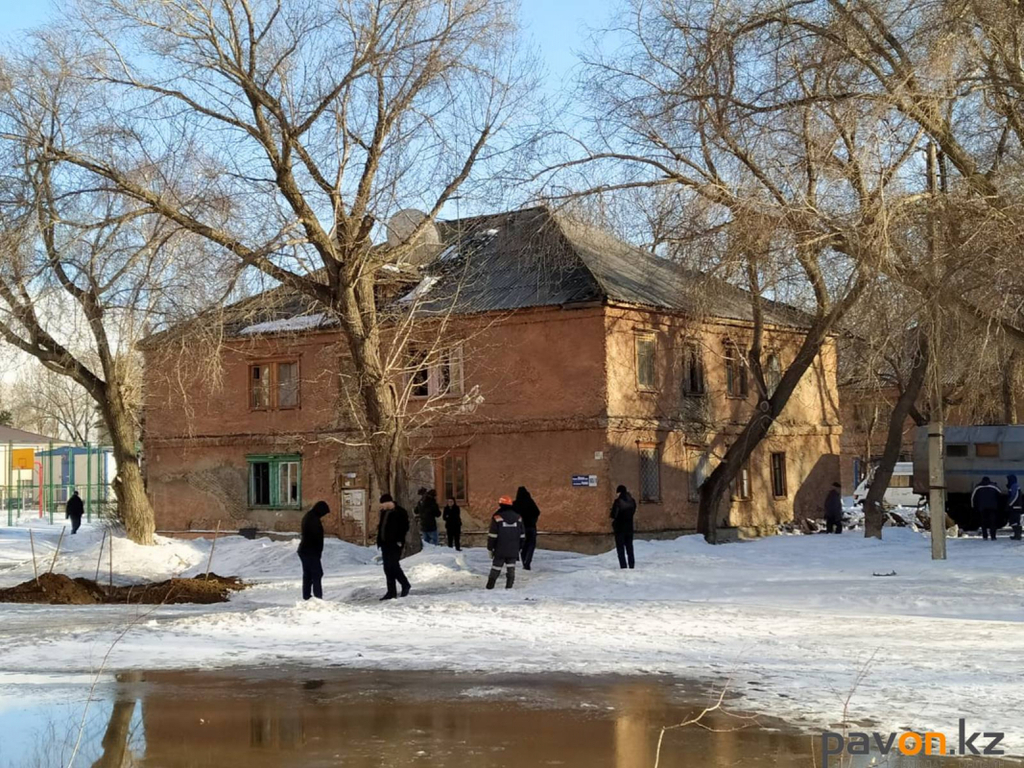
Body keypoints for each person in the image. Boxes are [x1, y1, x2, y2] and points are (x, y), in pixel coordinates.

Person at [377, 493, 411, 600]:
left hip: (395, 543)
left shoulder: (400, 512)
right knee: (387, 568)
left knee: (394, 565)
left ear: (389, 502)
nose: (381, 506)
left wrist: (399, 540)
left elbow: (404, 527)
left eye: (383, 503)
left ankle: (405, 584)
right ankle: (391, 591)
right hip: (384, 543)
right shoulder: (384, 512)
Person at [486, 495, 525, 590]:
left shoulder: (497, 517)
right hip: (513, 549)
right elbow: (522, 535)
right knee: (511, 568)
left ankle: (490, 587)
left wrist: (490, 548)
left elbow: (492, 535)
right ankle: (509, 587)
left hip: (500, 549)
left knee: (496, 568)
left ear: (500, 504)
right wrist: (519, 547)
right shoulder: (518, 517)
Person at [297, 501, 331, 600]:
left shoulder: (311, 516)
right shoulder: (312, 519)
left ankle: (307, 596)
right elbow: (315, 537)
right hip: (309, 551)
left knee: (309, 574)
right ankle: (317, 597)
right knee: (316, 573)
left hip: (307, 550)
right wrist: (317, 551)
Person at [513, 486, 541, 570]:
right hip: (531, 528)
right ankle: (527, 562)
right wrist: (533, 520)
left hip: (521, 529)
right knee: (531, 546)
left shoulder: (516, 504)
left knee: (523, 546)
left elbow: (512, 515)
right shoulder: (530, 502)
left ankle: (524, 561)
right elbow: (537, 512)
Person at [610, 485, 637, 569]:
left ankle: (623, 566)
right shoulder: (632, 501)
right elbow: (633, 511)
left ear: (619, 492)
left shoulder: (618, 502)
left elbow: (614, 515)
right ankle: (631, 565)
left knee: (620, 548)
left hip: (620, 528)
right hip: (629, 528)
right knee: (629, 547)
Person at [972, 476, 1002, 540]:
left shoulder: (978, 487)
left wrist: (973, 506)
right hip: (992, 507)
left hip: (982, 508)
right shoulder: (994, 486)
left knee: (983, 522)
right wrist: (998, 505)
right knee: (993, 522)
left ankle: (985, 536)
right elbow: (1000, 494)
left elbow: (973, 498)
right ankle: (993, 536)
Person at [1008, 474, 1023, 541]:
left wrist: (1010, 504)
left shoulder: (1014, 486)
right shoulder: (1016, 486)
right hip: (1017, 506)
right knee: (1016, 521)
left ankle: (1017, 535)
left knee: (1014, 521)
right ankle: (1017, 535)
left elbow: (1014, 496)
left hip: (1015, 506)